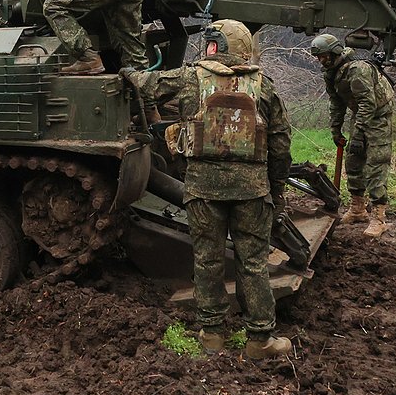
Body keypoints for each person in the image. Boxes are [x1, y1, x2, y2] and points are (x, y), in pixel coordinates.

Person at [124, 20, 293, 360]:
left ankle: (212, 334)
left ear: (214, 46)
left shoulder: (189, 78)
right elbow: (281, 148)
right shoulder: (265, 88)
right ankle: (260, 339)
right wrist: (275, 191)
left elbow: (146, 84)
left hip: (203, 190)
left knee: (207, 260)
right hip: (252, 192)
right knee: (253, 264)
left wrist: (129, 70)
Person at [309, 33, 394, 238]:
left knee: (376, 162)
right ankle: (358, 209)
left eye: (324, 56)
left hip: (378, 115)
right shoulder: (332, 73)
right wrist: (335, 130)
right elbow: (336, 103)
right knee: (353, 160)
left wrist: (358, 135)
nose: (321, 60)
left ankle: (379, 217)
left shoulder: (358, 70)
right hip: (361, 114)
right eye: (318, 57)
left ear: (335, 52)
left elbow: (369, 103)